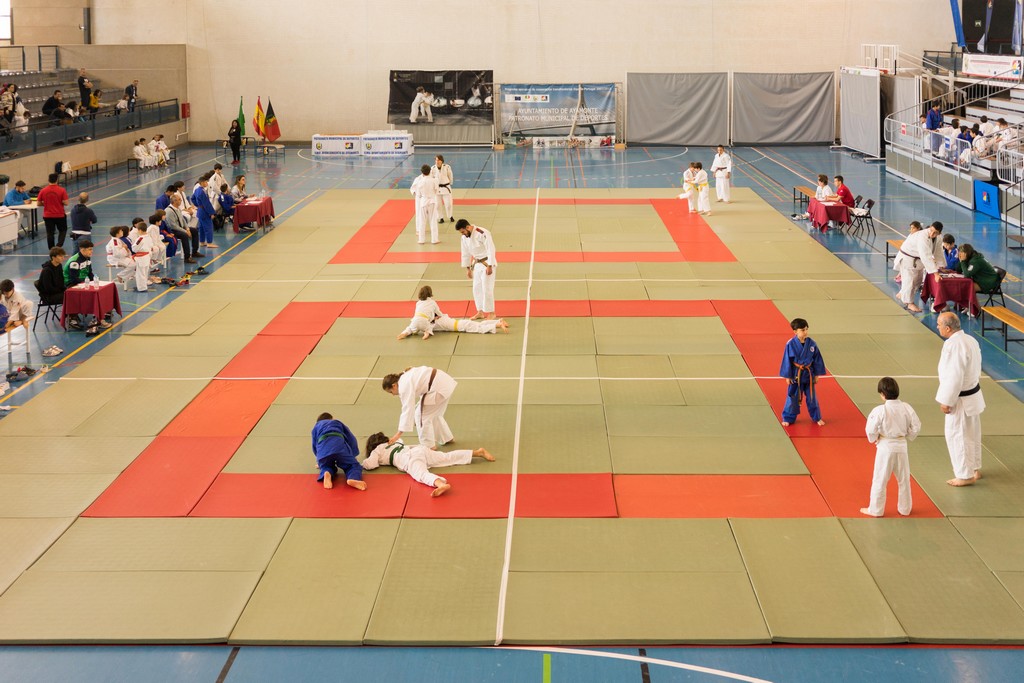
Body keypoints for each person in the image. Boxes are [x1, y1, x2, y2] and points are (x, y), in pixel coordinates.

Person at [935, 312, 986, 487]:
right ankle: (974, 469)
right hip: (972, 394)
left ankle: (965, 475)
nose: (937, 327)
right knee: (972, 435)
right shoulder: (970, 340)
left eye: (939, 324)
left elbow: (954, 376)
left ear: (948, 328)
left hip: (960, 399)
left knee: (958, 436)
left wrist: (946, 400)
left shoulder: (953, 345)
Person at [362, 432, 494, 497]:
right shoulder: (394, 443)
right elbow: (400, 440)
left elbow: (371, 465)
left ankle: (441, 484)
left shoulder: (377, 450)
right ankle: (477, 452)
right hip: (419, 450)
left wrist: (363, 463)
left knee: (421, 474)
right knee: (447, 457)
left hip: (409, 458)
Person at [860, 377, 921, 518]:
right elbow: (916, 426)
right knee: (904, 479)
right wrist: (908, 435)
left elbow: (870, 430)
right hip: (901, 445)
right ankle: (905, 509)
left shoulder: (880, 410)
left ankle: (876, 510)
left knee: (880, 479)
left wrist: (875, 438)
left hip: (885, 447)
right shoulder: (907, 407)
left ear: (882, 394)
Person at [382, 366, 458, 449]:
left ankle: (428, 446)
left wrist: (398, 434)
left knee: (420, 416)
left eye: (391, 392)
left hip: (438, 388)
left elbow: (407, 409)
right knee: (432, 414)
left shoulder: (403, 386)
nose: (393, 395)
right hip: (444, 384)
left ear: (394, 386)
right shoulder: (404, 376)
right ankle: (446, 438)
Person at [779, 317, 826, 427]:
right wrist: (788, 376)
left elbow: (817, 359)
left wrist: (817, 374)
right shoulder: (790, 344)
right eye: (802, 330)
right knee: (792, 397)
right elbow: (787, 360)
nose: (805, 332)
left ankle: (817, 417)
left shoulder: (812, 344)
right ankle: (788, 417)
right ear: (795, 331)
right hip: (796, 375)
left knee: (812, 398)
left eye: (806, 329)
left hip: (809, 375)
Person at [893, 220, 944, 313]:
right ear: (929, 228)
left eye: (935, 232)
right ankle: (909, 303)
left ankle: (902, 293)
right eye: (931, 230)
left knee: (917, 281)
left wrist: (941, 266)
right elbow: (926, 255)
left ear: (939, 233)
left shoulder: (939, 238)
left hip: (917, 261)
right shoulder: (922, 236)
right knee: (910, 281)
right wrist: (935, 273)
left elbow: (938, 252)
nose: (932, 233)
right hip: (908, 259)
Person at [310, 412, 364, 490]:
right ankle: (353, 478)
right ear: (331, 418)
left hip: (323, 450)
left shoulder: (316, 427)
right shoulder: (337, 422)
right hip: (339, 447)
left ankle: (326, 472)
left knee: (326, 465)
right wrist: (353, 455)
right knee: (352, 465)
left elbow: (314, 446)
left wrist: (320, 461)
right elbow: (351, 439)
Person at [456, 218, 498, 320]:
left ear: (468, 227)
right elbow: (465, 253)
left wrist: (490, 265)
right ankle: (480, 312)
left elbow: (491, 249)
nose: (463, 234)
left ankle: (491, 312)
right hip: (476, 264)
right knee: (476, 288)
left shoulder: (482, 233)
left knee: (487, 288)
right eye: (461, 233)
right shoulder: (464, 238)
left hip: (487, 262)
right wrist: (468, 269)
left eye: (463, 231)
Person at [37, 173, 69, 249]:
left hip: (48, 215)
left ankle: (51, 249)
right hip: (59, 215)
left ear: (48, 180)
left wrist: (46, 204)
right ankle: (59, 246)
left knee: (50, 233)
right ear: (57, 180)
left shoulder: (43, 190)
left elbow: (38, 203)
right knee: (63, 230)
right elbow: (66, 202)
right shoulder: (62, 190)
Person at [410, 164, 439, 244]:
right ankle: (434, 239)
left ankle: (421, 240)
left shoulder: (420, 181)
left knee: (422, 221)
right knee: (433, 220)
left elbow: (418, 194)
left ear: (422, 172)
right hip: (432, 201)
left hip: (423, 202)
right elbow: (437, 191)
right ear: (430, 171)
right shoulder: (434, 180)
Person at [192, 176, 217, 249]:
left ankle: (202, 242)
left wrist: (198, 205)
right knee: (209, 227)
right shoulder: (202, 192)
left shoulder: (197, 190)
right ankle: (209, 243)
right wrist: (211, 213)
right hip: (204, 211)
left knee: (202, 227)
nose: (207, 183)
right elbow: (206, 204)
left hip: (200, 210)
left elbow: (192, 198)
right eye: (206, 182)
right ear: (202, 183)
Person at [431, 155, 455, 223]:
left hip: (446, 187)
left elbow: (450, 175)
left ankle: (450, 216)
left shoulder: (447, 167)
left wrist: (449, 183)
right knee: (438, 205)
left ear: (442, 161)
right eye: (436, 160)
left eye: (438, 160)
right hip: (437, 188)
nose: (437, 161)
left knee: (448, 204)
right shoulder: (432, 168)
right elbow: (431, 178)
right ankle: (440, 217)